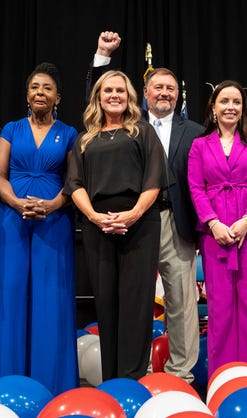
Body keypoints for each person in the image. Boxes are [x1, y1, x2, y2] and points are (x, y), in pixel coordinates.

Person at [87, 31, 203, 384]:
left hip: (175, 221)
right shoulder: (128, 124)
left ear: (178, 93)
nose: (165, 93)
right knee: (132, 300)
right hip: (132, 224)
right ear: (146, 93)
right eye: (158, 87)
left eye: (171, 88)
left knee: (181, 302)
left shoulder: (196, 131)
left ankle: (180, 374)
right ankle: (137, 374)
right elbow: (96, 97)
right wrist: (103, 57)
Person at [0, 63, 79, 394]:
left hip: (54, 222)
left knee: (52, 297)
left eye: (47, 88)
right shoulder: (11, 129)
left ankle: (52, 384)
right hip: (11, 220)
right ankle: (4, 382)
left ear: (57, 97)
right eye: (35, 87)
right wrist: (18, 203)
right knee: (9, 295)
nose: (40, 92)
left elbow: (74, 181)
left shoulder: (69, 133)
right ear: (26, 94)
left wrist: (52, 205)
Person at [65, 70, 164, 381]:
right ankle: (112, 381)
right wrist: (95, 217)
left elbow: (155, 179)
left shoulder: (143, 132)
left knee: (136, 304)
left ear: (130, 96)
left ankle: (133, 379)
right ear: (98, 96)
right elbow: (75, 184)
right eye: (108, 90)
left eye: (120, 90)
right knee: (106, 303)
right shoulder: (84, 139)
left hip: (140, 224)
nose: (114, 95)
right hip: (99, 226)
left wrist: (132, 215)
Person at [188, 80, 247, 376]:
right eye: (224, 101)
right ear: (213, 107)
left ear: (243, 108)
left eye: (236, 102)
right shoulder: (200, 145)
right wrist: (213, 223)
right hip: (216, 235)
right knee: (221, 310)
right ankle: (223, 378)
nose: (230, 107)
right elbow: (196, 188)